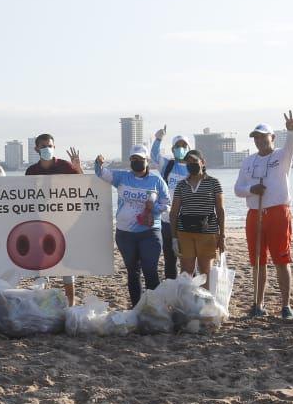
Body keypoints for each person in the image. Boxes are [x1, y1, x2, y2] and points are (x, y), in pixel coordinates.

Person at [234, 112, 293, 320]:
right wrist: (252, 189)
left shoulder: (282, 156)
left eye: (264, 137)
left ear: (272, 138)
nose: (260, 141)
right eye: (256, 138)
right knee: (257, 261)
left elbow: (291, 145)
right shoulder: (248, 161)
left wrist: (291, 131)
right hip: (255, 213)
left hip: (278, 212)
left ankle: (286, 305)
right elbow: (238, 189)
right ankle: (258, 303)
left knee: (281, 259)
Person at [95, 146, 170, 306]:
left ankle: (154, 309)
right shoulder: (121, 177)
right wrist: (99, 162)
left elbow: (167, 204)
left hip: (150, 233)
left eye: (140, 159)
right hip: (125, 234)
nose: (137, 162)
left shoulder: (156, 181)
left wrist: (153, 209)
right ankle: (136, 307)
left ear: (147, 161)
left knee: (150, 271)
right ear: (130, 161)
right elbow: (101, 173)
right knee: (133, 272)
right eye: (133, 159)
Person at [25, 132, 83, 305]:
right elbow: (24, 196)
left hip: (62, 221)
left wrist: (78, 167)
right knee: (41, 263)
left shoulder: (65, 166)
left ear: (54, 147)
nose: (47, 149)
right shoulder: (31, 171)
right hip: (39, 222)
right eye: (43, 146)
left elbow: (84, 185)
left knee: (65, 263)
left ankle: (71, 302)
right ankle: (43, 302)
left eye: (49, 146)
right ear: (36, 149)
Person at [167, 149, 225, 282]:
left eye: (194, 161)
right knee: (186, 272)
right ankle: (186, 302)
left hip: (208, 233)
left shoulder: (214, 183)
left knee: (205, 272)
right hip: (185, 232)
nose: (191, 164)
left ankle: (204, 302)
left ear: (202, 162)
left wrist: (222, 235)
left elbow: (220, 210)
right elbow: (174, 212)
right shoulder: (181, 185)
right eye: (188, 162)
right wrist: (174, 238)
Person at [150, 127, 193, 279]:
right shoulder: (168, 165)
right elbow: (154, 156)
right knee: (170, 259)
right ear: (173, 149)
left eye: (184, 146)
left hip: (187, 221)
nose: (181, 149)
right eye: (178, 146)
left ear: (188, 148)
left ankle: (187, 291)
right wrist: (158, 138)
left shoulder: (192, 168)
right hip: (167, 220)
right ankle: (172, 290)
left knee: (187, 259)